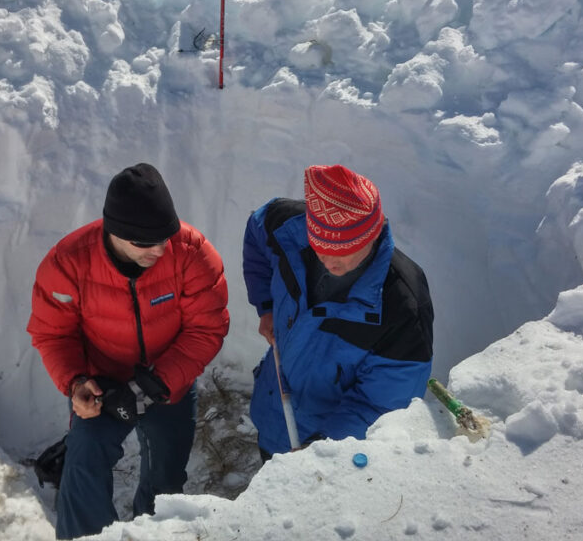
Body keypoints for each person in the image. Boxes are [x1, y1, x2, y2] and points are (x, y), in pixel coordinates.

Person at [27, 162, 230, 540]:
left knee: (166, 478)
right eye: (144, 243)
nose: (158, 250)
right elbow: (53, 334)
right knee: (84, 462)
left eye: (164, 239)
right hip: (101, 385)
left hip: (169, 381)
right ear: (114, 232)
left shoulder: (191, 253)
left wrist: (154, 385)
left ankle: (151, 532)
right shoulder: (69, 262)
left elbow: (207, 327)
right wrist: (76, 383)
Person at [242, 164, 433, 458]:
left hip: (328, 444)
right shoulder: (287, 227)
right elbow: (257, 235)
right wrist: (265, 305)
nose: (331, 262)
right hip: (274, 406)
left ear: (373, 233)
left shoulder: (402, 305)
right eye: (321, 247)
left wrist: (319, 452)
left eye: (347, 250)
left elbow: (382, 405)